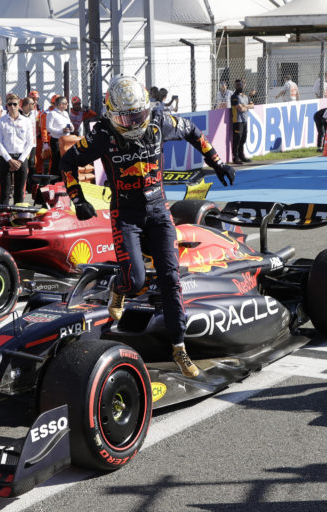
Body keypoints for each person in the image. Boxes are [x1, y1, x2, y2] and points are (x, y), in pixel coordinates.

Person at [59, 74, 236, 378]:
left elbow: (193, 131)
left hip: (158, 211)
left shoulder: (159, 120)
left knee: (171, 277)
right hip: (125, 214)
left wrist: (217, 161)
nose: (133, 122)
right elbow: (67, 162)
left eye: (138, 115)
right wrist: (78, 199)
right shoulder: (101, 134)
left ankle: (180, 349)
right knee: (136, 280)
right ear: (111, 114)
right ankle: (119, 287)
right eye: (126, 118)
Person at [0, 93, 35, 205]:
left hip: (21, 158)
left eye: (14, 104)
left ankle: (18, 219)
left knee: (19, 192)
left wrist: (20, 160)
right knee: (5, 192)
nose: (12, 106)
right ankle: (3, 216)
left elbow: (30, 142)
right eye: (9, 104)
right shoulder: (1, 121)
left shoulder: (26, 121)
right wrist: (9, 160)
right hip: (6, 158)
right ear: (6, 105)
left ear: (19, 105)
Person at [46, 95, 73, 177]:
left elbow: (69, 124)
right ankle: (54, 180)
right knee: (56, 160)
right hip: (57, 140)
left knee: (65, 160)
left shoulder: (65, 113)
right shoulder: (51, 114)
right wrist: (61, 131)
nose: (67, 105)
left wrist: (71, 128)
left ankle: (63, 179)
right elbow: (49, 128)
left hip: (66, 140)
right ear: (60, 104)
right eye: (65, 103)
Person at [230, 79, 254, 164]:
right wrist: (246, 107)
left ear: (243, 85)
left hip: (245, 120)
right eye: (237, 85)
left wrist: (245, 106)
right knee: (237, 139)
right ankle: (235, 157)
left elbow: (252, 105)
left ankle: (241, 155)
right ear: (235, 86)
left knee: (243, 138)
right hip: (237, 121)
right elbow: (240, 108)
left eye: (240, 85)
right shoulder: (234, 96)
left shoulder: (246, 96)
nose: (239, 86)